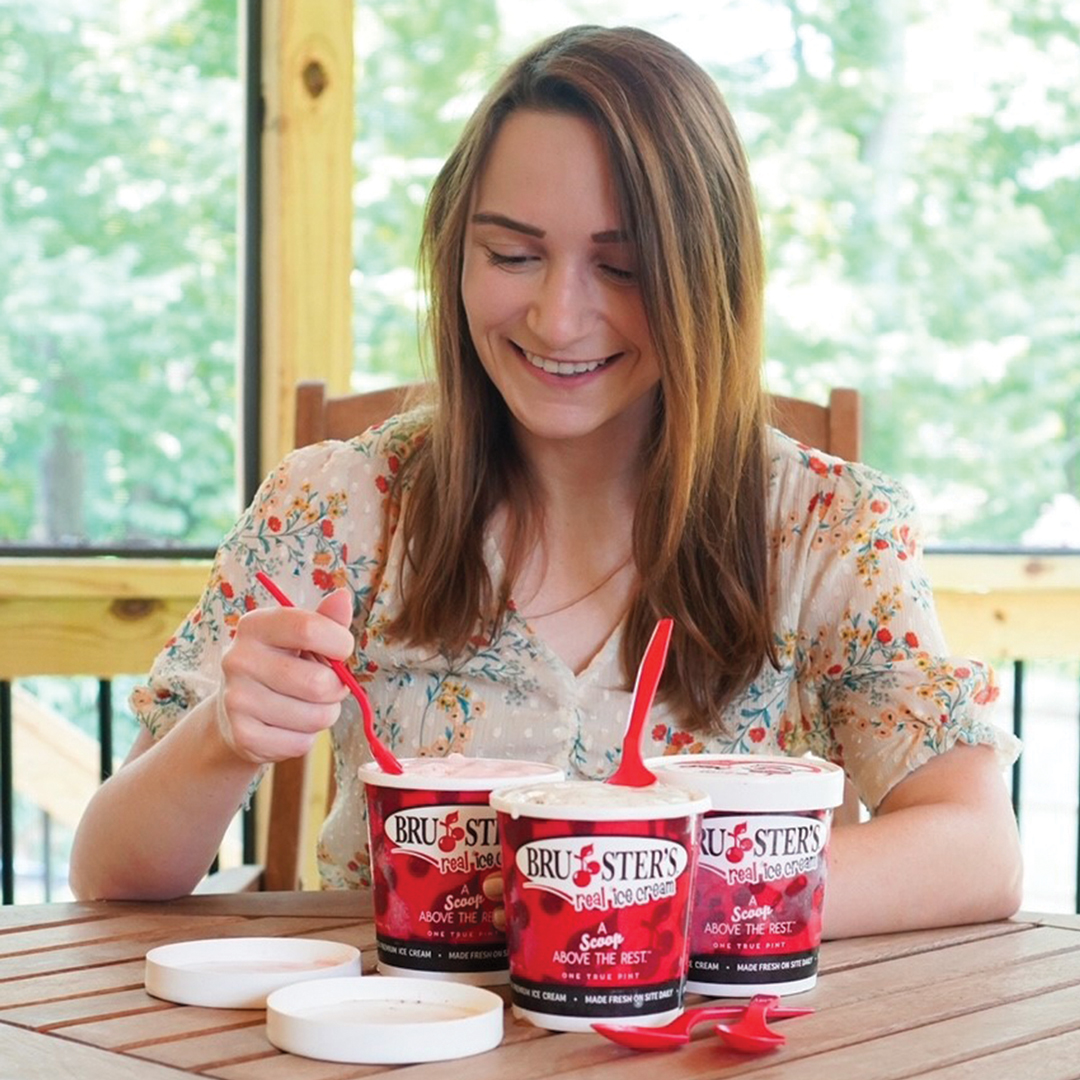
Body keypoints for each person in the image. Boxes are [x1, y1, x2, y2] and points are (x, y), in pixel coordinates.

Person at [70, 24, 1022, 935]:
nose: (559, 319)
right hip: (396, 1024)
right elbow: (111, 872)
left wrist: (636, 894)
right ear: (456, 254)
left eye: (624, 267)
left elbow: (978, 850)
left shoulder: (827, 527)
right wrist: (226, 734)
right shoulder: (334, 506)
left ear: (709, 279)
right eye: (513, 256)